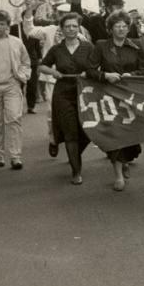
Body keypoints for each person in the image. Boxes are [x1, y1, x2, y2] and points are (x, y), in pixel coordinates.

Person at [86, 10, 144, 191]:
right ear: (110, 29)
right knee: (114, 133)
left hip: (130, 97)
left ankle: (125, 160)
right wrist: (105, 75)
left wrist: (133, 75)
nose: (121, 29)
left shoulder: (136, 46)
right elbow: (90, 70)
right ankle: (118, 175)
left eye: (124, 26)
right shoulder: (101, 46)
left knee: (130, 135)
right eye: (117, 26)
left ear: (128, 29)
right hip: (109, 96)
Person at [38, 13, 94, 184]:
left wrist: (89, 73)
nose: (71, 29)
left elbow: (97, 66)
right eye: (67, 26)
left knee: (87, 131)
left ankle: (74, 155)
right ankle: (76, 171)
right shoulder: (56, 49)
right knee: (70, 132)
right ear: (61, 29)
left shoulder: (88, 47)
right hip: (63, 93)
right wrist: (53, 72)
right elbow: (41, 66)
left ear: (79, 28)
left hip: (85, 92)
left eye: (74, 26)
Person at [0, 10, 31, 169]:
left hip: (12, 85)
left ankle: (16, 156)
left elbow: (26, 62)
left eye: (2, 24)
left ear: (7, 26)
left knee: (14, 119)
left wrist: (22, 76)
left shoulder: (16, 42)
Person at [10, 0, 43, 114]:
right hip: (18, 61)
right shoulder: (14, 28)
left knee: (32, 85)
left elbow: (37, 45)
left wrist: (39, 58)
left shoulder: (35, 29)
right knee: (18, 85)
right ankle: (16, 107)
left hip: (32, 61)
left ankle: (31, 106)